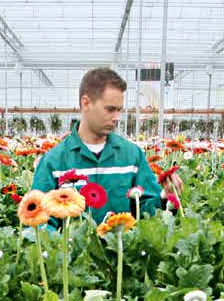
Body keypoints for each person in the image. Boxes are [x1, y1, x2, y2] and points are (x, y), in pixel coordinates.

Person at [32, 67, 169, 223]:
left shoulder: (132, 156)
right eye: (110, 109)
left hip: (121, 245)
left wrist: (164, 197)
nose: (117, 117)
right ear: (86, 103)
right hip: (71, 247)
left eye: (119, 110)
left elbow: (145, 212)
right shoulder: (54, 162)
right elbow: (40, 222)